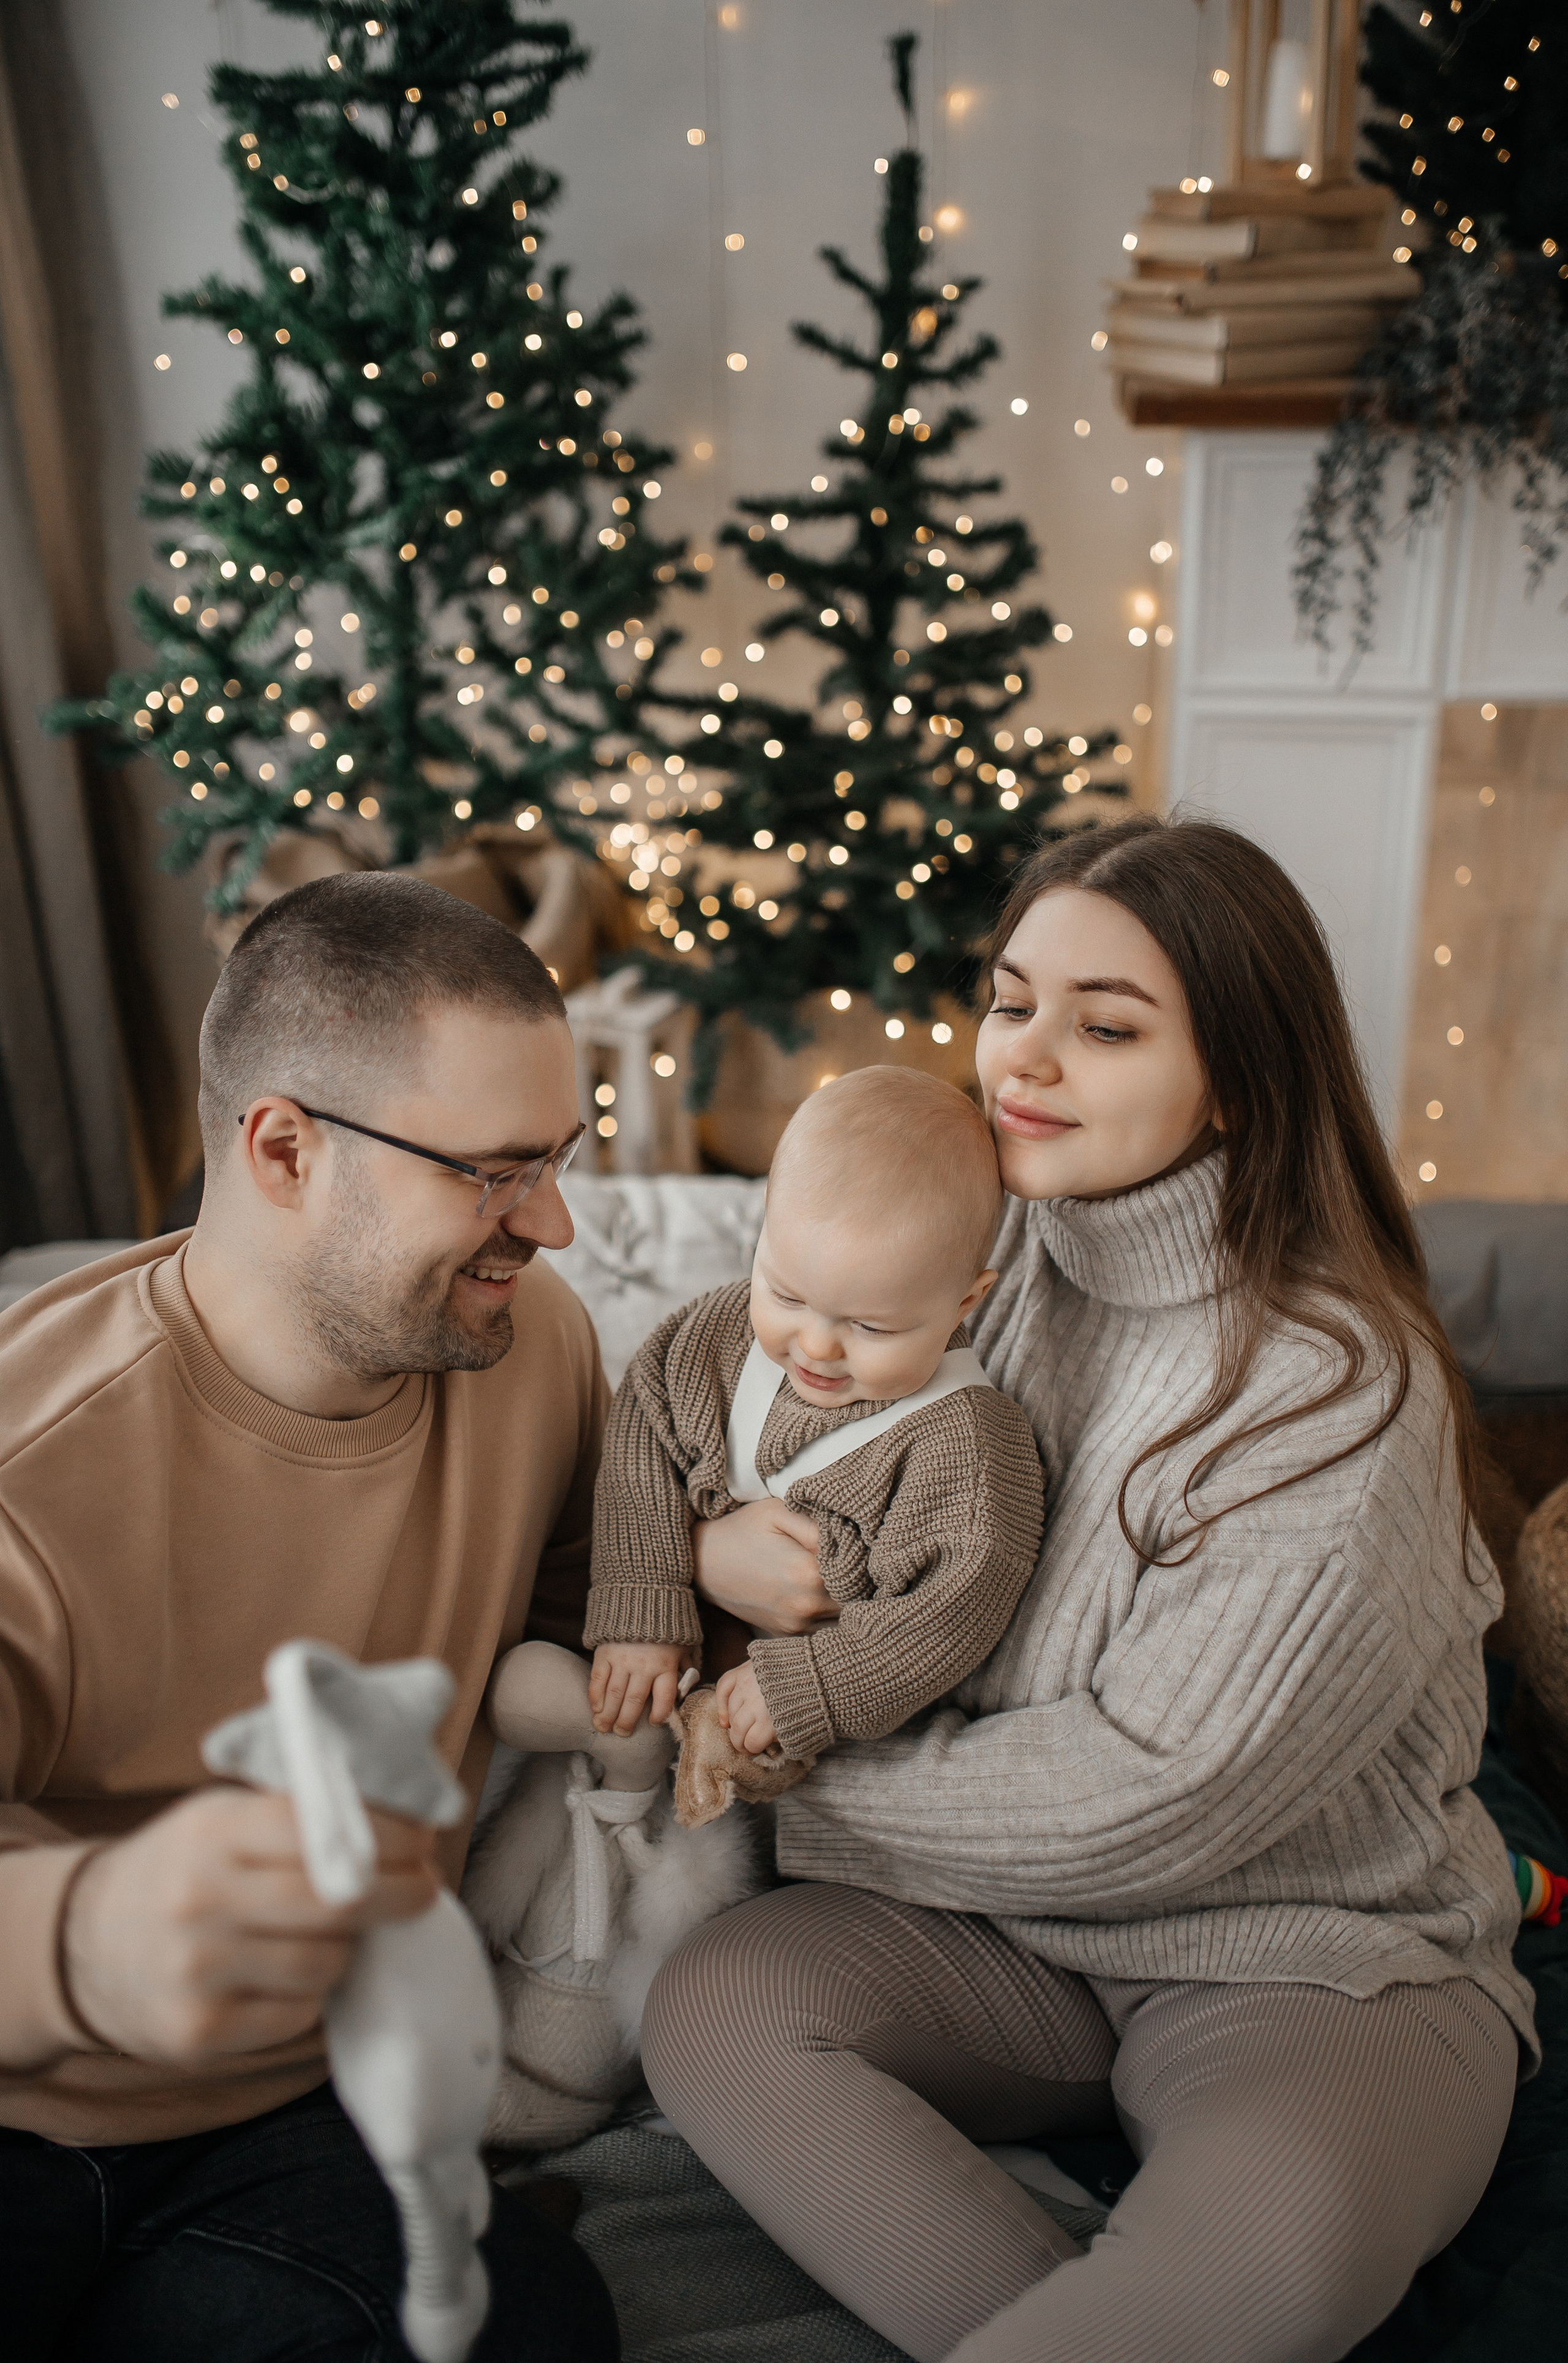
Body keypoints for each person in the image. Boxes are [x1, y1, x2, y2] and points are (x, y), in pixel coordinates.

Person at [641, 813, 1537, 2363]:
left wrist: (777, 1778)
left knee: (1247, 2263)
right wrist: (708, 1545)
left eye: (1103, 1026)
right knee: (712, 2004)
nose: (1021, 1060)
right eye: (1008, 1002)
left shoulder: (1332, 1392)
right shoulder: (980, 1262)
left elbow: (1154, 1792)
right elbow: (750, 1418)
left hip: (1307, 1962)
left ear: (1239, 1080)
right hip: (1017, 1946)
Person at [0, 873, 617, 2362]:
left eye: (559, 1158)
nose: (554, 1225)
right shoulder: (31, 1464)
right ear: (283, 1149)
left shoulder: (528, 1349)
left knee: (532, 2336)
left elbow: (601, 1618)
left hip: (299, 2112)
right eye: (493, 1170)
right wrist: (93, 1940)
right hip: (23, 2101)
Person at [583, 1066, 1045, 1781]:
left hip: (794, 1706)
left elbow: (952, 1613)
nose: (817, 1346)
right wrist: (642, 1603)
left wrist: (816, 1682)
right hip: (671, 1639)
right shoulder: (712, 1335)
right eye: (786, 1293)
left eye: (869, 1325)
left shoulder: (965, 1448)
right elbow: (640, 1440)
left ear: (965, 1301)